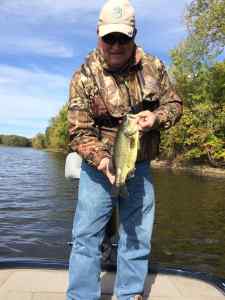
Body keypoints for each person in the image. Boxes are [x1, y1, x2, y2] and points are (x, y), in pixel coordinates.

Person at [67, 0, 182, 299]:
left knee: (137, 238)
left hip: (138, 165)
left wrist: (157, 117)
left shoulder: (154, 66)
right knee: (85, 238)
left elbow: (174, 104)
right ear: (98, 34)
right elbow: (79, 130)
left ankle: (130, 294)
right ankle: (81, 296)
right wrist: (103, 160)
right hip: (97, 168)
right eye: (109, 38)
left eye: (123, 38)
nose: (116, 45)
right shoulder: (84, 75)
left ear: (134, 34)